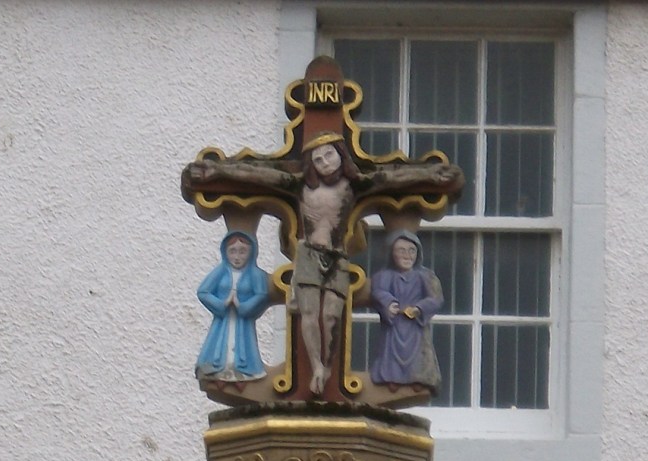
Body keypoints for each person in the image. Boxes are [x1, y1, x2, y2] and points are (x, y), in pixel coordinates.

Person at [182, 135, 462, 394]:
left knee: (330, 315)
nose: (325, 162)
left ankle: (326, 365)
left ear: (341, 154)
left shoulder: (356, 185)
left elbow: (391, 179)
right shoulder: (299, 185)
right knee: (308, 313)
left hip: (337, 256)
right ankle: (316, 365)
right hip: (309, 254)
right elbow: (258, 176)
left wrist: (431, 175)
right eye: (318, 159)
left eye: (329, 155)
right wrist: (218, 172)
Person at [370, 230, 443, 392]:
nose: (407, 256)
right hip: (394, 323)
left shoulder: (425, 276)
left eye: (412, 251)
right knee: (391, 351)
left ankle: (417, 378)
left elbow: (436, 299)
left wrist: (419, 308)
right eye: (401, 251)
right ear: (392, 254)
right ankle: (392, 379)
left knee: (417, 353)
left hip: (415, 325)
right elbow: (378, 292)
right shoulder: (384, 276)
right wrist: (388, 303)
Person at [195, 231, 269, 383]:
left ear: (251, 252)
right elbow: (203, 291)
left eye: (242, 252)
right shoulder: (221, 271)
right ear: (225, 252)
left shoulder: (255, 274)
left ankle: (243, 372)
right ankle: (218, 370)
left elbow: (261, 295)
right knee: (220, 347)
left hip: (242, 322)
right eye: (232, 251)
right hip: (224, 321)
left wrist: (242, 306)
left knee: (242, 345)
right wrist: (222, 303)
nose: (237, 257)